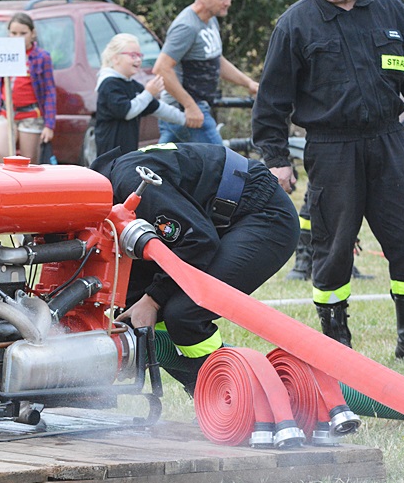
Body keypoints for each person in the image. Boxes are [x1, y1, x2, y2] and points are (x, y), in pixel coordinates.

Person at [252, 0, 404, 364]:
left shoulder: (390, 9)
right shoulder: (295, 24)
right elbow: (271, 100)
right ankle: (336, 345)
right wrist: (276, 159)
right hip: (332, 147)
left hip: (388, 140)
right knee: (333, 246)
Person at [90, 143, 298, 395]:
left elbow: (197, 240)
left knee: (184, 312)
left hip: (262, 215)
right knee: (134, 307)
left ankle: (236, 398)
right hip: (215, 218)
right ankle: (208, 394)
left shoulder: (130, 183)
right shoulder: (104, 190)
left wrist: (154, 300)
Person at [152, 0, 258, 146]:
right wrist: (189, 106)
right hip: (186, 111)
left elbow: (216, 60)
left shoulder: (210, 20)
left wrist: (248, 83)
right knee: (222, 162)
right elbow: (161, 68)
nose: (228, 3)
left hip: (193, 109)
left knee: (166, 166)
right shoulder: (186, 26)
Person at [95, 33, 185, 157]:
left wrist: (186, 119)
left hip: (128, 153)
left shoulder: (133, 85)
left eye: (140, 55)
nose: (138, 60)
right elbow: (126, 112)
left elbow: (158, 108)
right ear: (115, 58)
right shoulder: (108, 85)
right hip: (110, 155)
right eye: (133, 55)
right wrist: (148, 93)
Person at [0, 12, 55, 164]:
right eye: (13, 33)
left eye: (23, 33)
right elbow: (0, 85)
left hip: (31, 115)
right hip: (7, 113)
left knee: (28, 162)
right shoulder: (4, 52)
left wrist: (49, 125)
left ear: (32, 34)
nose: (17, 37)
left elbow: (49, 91)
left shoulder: (41, 57)